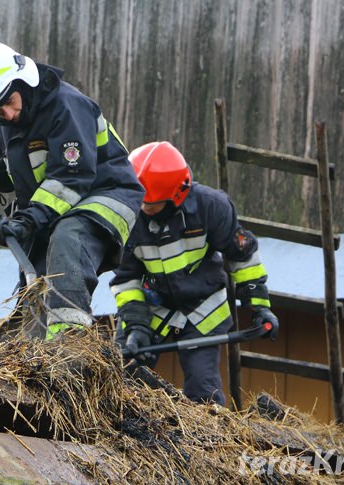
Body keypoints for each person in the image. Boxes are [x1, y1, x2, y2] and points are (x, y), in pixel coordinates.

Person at [0, 40, 144, 339]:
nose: (7, 114)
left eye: (8, 101)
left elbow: (70, 176)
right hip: (54, 208)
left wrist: (29, 219)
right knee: (37, 279)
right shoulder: (2, 124)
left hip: (104, 194)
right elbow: (11, 173)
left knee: (69, 237)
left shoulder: (66, 106)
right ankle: (37, 356)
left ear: (22, 81)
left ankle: (68, 345)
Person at [110, 142, 279, 405]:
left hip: (202, 312)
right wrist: (136, 327)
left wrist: (260, 307)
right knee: (120, 375)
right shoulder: (128, 214)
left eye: (152, 204)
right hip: (154, 308)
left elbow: (243, 258)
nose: (144, 208)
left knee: (204, 393)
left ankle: (209, 440)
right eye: (140, 201)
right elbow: (125, 279)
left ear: (177, 195)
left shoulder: (212, 207)